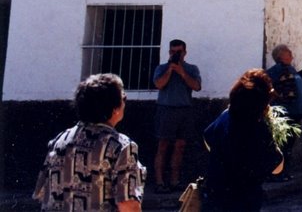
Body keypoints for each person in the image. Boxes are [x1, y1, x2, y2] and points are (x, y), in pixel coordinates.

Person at [33, 73, 146, 211]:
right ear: (114, 109)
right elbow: (128, 205)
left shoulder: (59, 140)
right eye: (123, 98)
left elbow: (42, 193)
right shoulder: (121, 146)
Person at [203, 69, 284, 211]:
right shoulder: (257, 129)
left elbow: (207, 138)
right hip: (242, 201)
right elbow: (277, 167)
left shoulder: (225, 116)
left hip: (214, 196)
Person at [151, 38, 202, 192]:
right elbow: (159, 84)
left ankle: (175, 181)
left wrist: (182, 72)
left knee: (180, 146)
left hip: (184, 110)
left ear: (184, 52)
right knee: (163, 146)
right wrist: (170, 70)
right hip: (166, 109)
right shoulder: (161, 68)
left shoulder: (192, 69)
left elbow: (197, 86)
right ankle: (159, 182)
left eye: (178, 52)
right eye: (173, 52)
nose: (176, 55)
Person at [265, 44, 302, 178]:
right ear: (280, 56)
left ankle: (284, 172)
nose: (292, 56)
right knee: (284, 145)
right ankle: (279, 173)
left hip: (294, 112)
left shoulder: (290, 69)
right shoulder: (279, 70)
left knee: (288, 145)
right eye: (289, 54)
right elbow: (274, 89)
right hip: (286, 113)